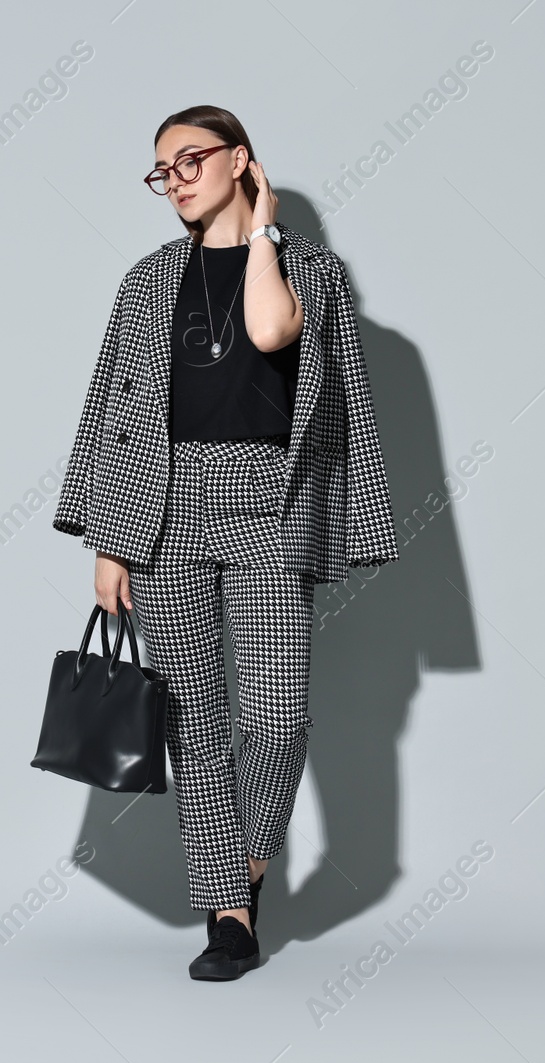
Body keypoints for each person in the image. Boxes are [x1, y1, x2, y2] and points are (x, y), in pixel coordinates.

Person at [51, 104, 400, 981]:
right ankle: (230, 913)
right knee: (193, 717)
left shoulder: (310, 273)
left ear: (241, 160)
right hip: (164, 506)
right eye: (161, 170)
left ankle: (244, 858)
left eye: (190, 159)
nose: (174, 179)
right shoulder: (145, 282)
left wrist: (264, 237)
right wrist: (110, 541)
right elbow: (112, 409)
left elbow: (275, 335)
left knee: (277, 718)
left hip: (272, 502)